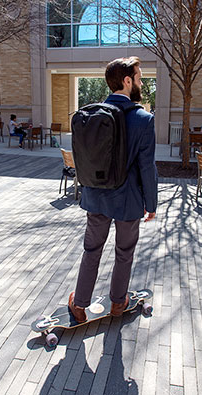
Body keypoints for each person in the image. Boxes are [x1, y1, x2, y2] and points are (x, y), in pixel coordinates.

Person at [68, 56, 158, 323]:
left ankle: (80, 304)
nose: (141, 83)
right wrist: (151, 203)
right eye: (139, 78)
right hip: (128, 200)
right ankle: (118, 303)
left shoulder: (89, 114)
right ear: (127, 81)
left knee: (92, 250)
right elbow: (147, 168)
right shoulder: (143, 119)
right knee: (124, 252)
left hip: (95, 195)